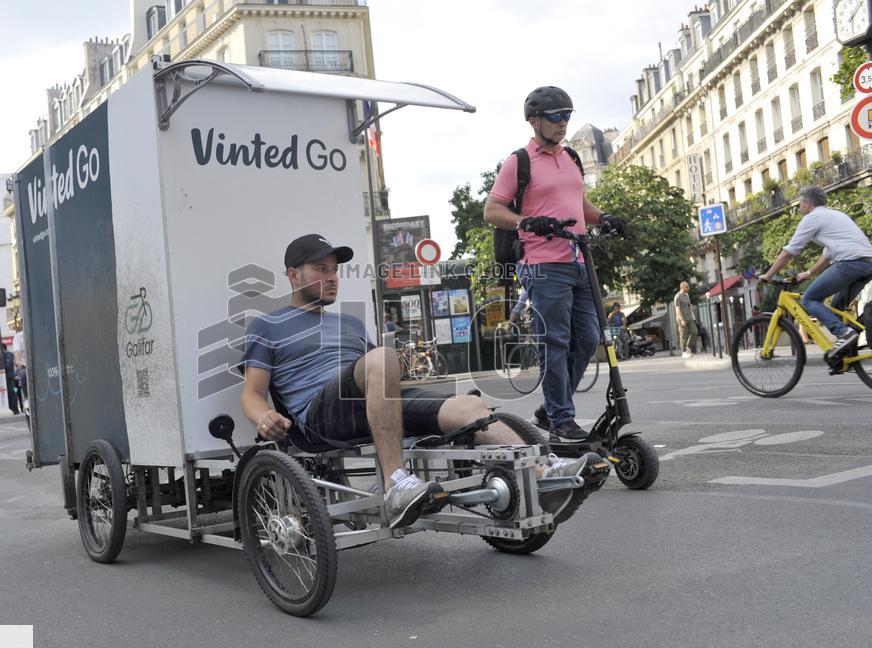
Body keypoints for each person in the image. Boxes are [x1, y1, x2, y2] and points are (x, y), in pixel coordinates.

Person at [240, 234, 603, 529]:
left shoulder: (349, 324)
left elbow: (378, 377)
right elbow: (252, 394)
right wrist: (262, 418)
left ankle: (545, 473)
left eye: (335, 270)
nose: (333, 276)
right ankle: (396, 483)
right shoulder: (267, 327)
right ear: (293, 275)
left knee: (470, 406)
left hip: (372, 401)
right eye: (321, 269)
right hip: (320, 418)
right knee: (383, 355)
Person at [483, 85, 628, 442]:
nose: (563, 123)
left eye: (567, 116)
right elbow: (492, 210)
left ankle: (551, 410)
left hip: (579, 259)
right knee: (556, 340)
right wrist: (524, 221)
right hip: (542, 263)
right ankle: (562, 418)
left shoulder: (571, 159)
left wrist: (605, 217)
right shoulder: (520, 161)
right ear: (534, 120)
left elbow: (579, 206)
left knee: (590, 336)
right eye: (555, 117)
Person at [760, 186, 872, 365]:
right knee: (837, 308)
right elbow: (828, 253)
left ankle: (845, 334)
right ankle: (846, 354)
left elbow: (790, 251)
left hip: (850, 263)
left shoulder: (812, 218)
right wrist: (810, 273)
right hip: (867, 263)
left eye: (800, 204)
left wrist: (769, 274)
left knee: (809, 299)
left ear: (808, 203)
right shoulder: (834, 215)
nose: (799, 208)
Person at [674, 282, 698, 358]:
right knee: (683, 335)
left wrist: (692, 307)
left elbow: (688, 305)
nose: (688, 288)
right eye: (687, 287)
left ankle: (688, 347)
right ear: (682, 287)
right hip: (682, 318)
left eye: (688, 286)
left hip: (689, 317)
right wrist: (681, 320)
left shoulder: (687, 295)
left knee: (695, 332)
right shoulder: (677, 297)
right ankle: (684, 352)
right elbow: (677, 309)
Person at [0, 344, 19, 414]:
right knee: (9, 394)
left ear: (3, 349)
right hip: (7, 377)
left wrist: (0, 366)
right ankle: (12, 408)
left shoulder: (8, 355)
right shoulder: (5, 355)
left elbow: (8, 365)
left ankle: (15, 409)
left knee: (11, 393)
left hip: (9, 377)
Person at [11, 319, 27, 408]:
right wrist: (18, 361)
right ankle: (27, 398)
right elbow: (16, 351)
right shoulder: (18, 336)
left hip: (39, 363)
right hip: (24, 364)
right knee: (24, 375)